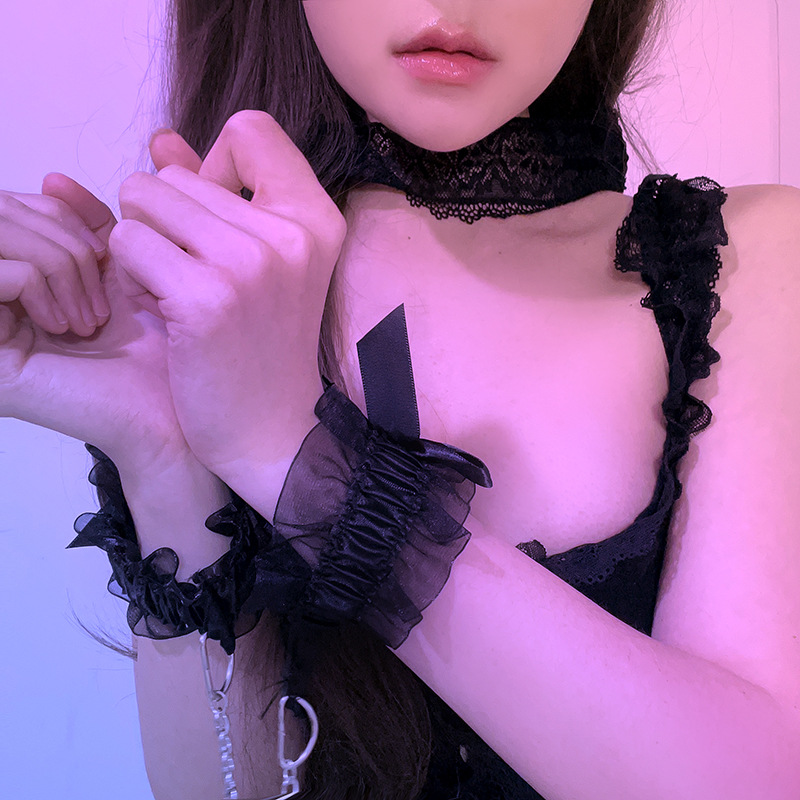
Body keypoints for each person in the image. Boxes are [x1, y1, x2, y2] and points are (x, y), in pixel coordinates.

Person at [2, 1, 799, 798]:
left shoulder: (742, 262)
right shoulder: (224, 284)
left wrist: (292, 458)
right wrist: (164, 453)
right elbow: (228, 788)